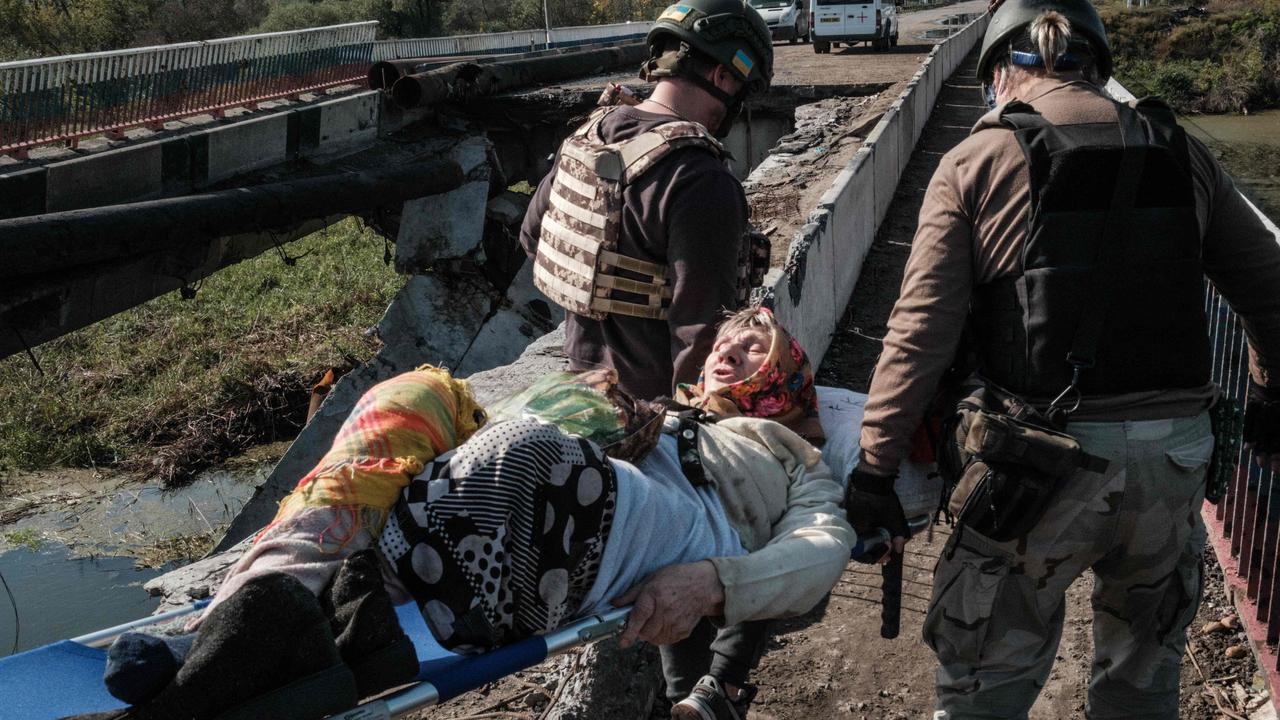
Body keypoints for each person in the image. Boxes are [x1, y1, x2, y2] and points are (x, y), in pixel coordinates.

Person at [85, 307, 852, 720]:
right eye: (730, 338)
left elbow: (826, 547)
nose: (730, 351)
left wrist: (712, 584)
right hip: (563, 493)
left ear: (785, 379)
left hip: (671, 521)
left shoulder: (787, 452)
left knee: (526, 453)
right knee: (408, 395)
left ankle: (313, 623)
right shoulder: (664, 405)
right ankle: (264, 607)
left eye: (756, 349)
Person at [843, 1, 1280, 718]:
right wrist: (1268, 393)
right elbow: (1268, 290)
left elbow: (919, 332)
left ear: (996, 72)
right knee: (1143, 677)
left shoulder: (977, 161)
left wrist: (874, 467)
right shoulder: (1180, 150)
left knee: (987, 679)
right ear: (1098, 65)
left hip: (1035, 470)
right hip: (1176, 464)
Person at [519, 0, 774, 401]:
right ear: (723, 76)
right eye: (740, 90)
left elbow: (534, 238)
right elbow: (702, 333)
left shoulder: (589, 136)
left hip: (580, 396)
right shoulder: (702, 179)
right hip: (650, 419)